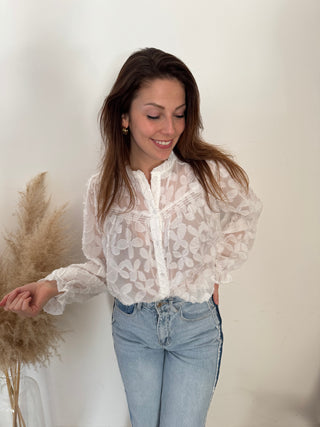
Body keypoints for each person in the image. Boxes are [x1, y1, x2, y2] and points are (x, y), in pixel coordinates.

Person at [0, 47, 262, 426]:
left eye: (179, 114)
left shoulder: (205, 175)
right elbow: (104, 267)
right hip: (133, 331)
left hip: (195, 328)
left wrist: (213, 269)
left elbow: (246, 213)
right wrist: (51, 286)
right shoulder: (102, 189)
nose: (169, 129)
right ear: (124, 117)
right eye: (154, 115)